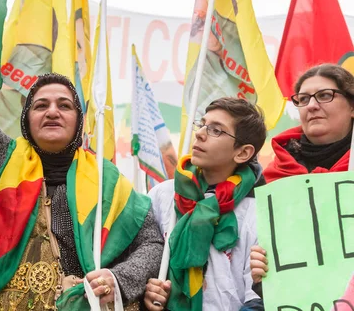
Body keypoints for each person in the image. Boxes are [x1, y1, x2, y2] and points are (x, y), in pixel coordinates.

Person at [0, 0, 163, 310]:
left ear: (79, 121)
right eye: (41, 105)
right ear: (26, 118)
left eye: (64, 105)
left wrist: (118, 279)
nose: (52, 111)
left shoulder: (108, 180)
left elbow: (151, 243)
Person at [145, 97, 267, 310]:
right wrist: (147, 292)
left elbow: (256, 299)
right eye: (202, 125)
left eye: (216, 130)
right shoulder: (162, 195)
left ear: (243, 152)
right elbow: (142, 258)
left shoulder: (258, 210)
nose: (200, 134)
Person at [251, 63, 354, 284]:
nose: (312, 106)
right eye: (303, 99)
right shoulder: (271, 179)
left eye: (325, 95)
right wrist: (262, 276)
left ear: (352, 106)